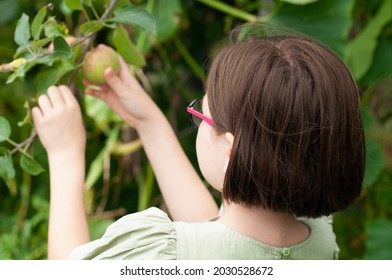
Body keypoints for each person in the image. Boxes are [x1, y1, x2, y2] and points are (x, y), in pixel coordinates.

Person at [31, 24, 365, 260]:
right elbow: (212, 234)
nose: (198, 119)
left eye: (201, 115)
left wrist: (64, 155)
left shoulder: (158, 255)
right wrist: (148, 120)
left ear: (231, 150)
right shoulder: (318, 239)